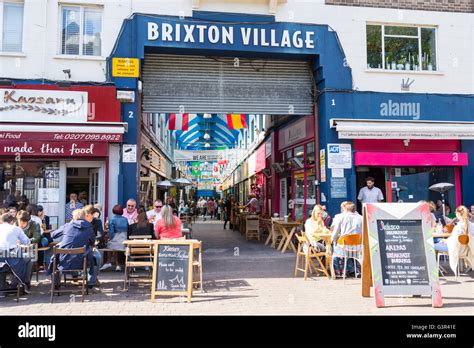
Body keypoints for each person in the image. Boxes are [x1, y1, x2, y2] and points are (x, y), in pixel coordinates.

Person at [47, 207, 99, 289]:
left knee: (54, 258)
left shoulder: (68, 226)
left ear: (73, 218)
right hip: (82, 262)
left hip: (64, 261)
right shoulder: (89, 226)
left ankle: (56, 284)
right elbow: (92, 242)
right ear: (84, 216)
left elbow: (53, 235)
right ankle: (91, 282)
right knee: (94, 257)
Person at [434, 205, 474, 274]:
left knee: (434, 244)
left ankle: (436, 270)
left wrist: (445, 241)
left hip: (457, 249)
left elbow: (453, 241)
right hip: (468, 249)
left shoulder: (458, 227)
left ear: (458, 214)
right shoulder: (472, 225)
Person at [0, 213, 32, 294]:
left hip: (1, 259)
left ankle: (3, 289)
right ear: (11, 221)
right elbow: (27, 242)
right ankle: (18, 285)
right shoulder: (16, 229)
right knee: (28, 259)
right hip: (12, 260)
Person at [331, 202, 363, 277]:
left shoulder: (341, 217)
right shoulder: (361, 217)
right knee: (349, 249)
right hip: (358, 248)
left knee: (334, 246)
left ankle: (338, 271)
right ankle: (353, 269)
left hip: (344, 249)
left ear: (345, 209)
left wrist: (333, 240)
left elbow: (335, 233)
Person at [101, 204, 128, 272]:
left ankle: (108, 262)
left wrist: (109, 238)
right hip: (124, 241)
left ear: (113, 211)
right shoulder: (125, 219)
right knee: (113, 245)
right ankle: (117, 264)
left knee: (110, 244)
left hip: (116, 241)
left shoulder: (112, 220)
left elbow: (111, 233)